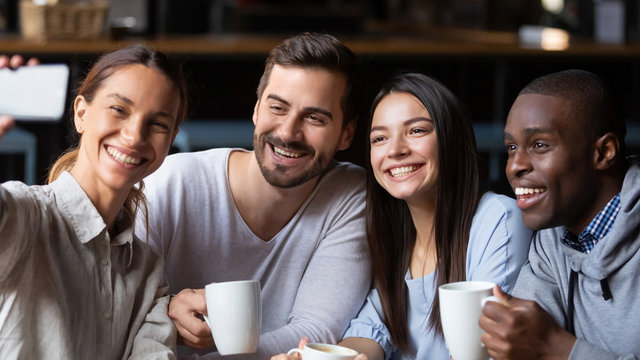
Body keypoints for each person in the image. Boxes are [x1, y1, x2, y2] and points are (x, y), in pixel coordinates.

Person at [135, 32, 372, 359]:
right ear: (257, 109)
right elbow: (112, 309)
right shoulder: (171, 184)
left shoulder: (350, 197)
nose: (289, 132)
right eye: (278, 107)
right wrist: (164, 308)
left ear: (346, 133)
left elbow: (316, 332)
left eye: (314, 117)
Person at [273, 72, 533, 360]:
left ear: (451, 138)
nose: (395, 150)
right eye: (380, 138)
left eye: (416, 131)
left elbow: (483, 350)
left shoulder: (498, 219)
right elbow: (369, 331)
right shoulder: (395, 240)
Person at [0, 44, 188, 359]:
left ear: (170, 140)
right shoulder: (25, 217)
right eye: (119, 109)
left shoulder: (148, 272)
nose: (134, 136)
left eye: (157, 124)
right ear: (81, 114)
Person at [479, 69, 640, 360]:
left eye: (539, 145)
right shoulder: (552, 239)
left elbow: (541, 346)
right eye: (511, 147)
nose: (514, 166)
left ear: (603, 152)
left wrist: (557, 348)